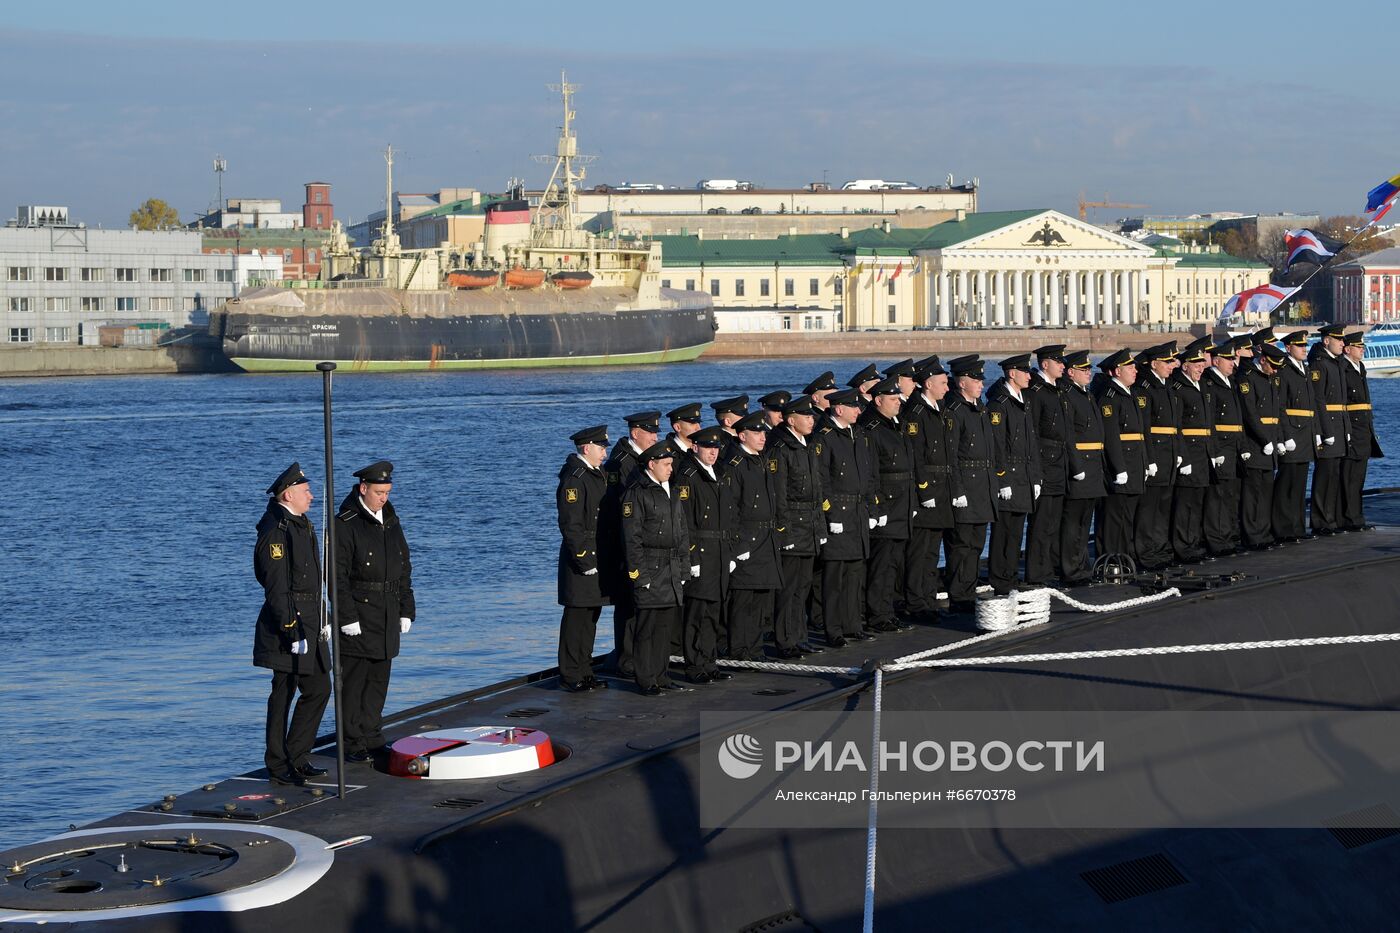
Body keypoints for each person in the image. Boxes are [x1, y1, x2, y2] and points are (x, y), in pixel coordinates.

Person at [254, 463, 330, 787]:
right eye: (305, 491)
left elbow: (313, 580)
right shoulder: (277, 531)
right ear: (289, 494)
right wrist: (290, 628)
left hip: (311, 621)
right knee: (283, 693)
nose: (311, 496)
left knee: (319, 688)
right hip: (287, 625)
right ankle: (278, 763)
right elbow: (276, 587)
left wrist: (323, 618)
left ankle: (297, 756)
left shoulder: (302, 524)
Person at [335, 460, 416, 764]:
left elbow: (402, 566)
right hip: (359, 611)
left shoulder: (390, 518)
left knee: (379, 680)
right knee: (354, 682)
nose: (384, 497)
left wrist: (406, 608)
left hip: (386, 610)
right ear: (363, 489)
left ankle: (371, 735)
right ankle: (352, 740)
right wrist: (346, 617)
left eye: (388, 492)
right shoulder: (345, 523)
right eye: (379, 492)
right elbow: (337, 576)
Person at [621, 441, 690, 695]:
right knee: (647, 627)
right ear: (652, 464)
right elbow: (632, 538)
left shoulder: (669, 489)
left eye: (671, 464)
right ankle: (646, 678)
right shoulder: (637, 493)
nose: (671, 469)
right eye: (666, 464)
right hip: (650, 567)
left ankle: (661, 675)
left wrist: (684, 568)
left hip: (671, 568)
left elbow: (681, 532)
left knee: (664, 628)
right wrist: (639, 575)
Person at [601, 411, 661, 676]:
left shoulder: (643, 459)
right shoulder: (620, 462)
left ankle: (641, 654)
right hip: (626, 543)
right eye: (650, 433)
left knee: (642, 603)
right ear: (635, 433)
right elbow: (618, 505)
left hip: (645, 541)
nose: (655, 438)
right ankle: (625, 658)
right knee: (627, 602)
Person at [815, 388, 876, 645]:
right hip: (839, 513)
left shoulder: (859, 435)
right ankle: (834, 629)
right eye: (854, 407)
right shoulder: (825, 437)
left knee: (855, 574)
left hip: (858, 512)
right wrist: (831, 514)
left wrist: (873, 509)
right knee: (834, 578)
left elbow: (869, 474)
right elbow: (822, 480)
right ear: (839, 409)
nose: (859, 411)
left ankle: (853, 624)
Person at [675, 427, 734, 684]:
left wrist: (729, 551)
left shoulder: (719, 472)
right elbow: (684, 521)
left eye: (716, 448)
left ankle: (709, 662)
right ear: (695, 447)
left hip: (719, 552)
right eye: (708, 447)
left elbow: (728, 516)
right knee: (696, 614)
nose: (713, 452)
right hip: (701, 552)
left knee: (713, 612)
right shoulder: (687, 476)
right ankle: (694, 665)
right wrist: (692, 559)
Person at [768, 395, 826, 656]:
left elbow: (817, 491)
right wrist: (784, 530)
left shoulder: (807, 445)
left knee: (803, 586)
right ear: (791, 421)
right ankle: (785, 640)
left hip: (810, 525)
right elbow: (778, 495)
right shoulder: (781, 449)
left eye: (812, 416)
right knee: (788, 587)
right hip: (793, 524)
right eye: (806, 417)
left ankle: (799, 636)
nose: (811, 420)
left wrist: (820, 528)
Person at [556, 425, 612, 692]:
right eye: (601, 448)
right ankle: (570, 673)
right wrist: (583, 559)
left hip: (599, 552)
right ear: (587, 448)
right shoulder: (575, 478)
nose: (604, 453)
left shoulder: (597, 473)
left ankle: (585, 669)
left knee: (592, 615)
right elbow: (571, 524)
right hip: (582, 558)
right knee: (577, 616)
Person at [726, 411, 784, 660]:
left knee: (761, 598)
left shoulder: (761, 460)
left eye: (763, 432)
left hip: (765, 538)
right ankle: (740, 650)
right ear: (742, 435)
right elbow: (731, 508)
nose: (763, 437)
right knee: (744, 600)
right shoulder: (735, 465)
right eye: (757, 433)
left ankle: (755, 648)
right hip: (747, 539)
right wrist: (738, 544)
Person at [945, 356, 999, 611]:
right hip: (966, 486)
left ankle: (969, 588)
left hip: (982, 487)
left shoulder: (980, 408)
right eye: (976, 380)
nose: (981, 384)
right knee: (961, 545)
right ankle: (959, 595)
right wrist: (957, 491)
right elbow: (951, 455)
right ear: (962, 382)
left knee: (977, 543)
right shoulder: (955, 411)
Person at [902, 356, 954, 620]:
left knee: (933, 551)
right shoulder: (916, 413)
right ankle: (916, 602)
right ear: (928, 384)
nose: (947, 388)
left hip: (942, 486)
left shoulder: (939, 408)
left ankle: (928, 599)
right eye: (943, 383)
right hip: (928, 489)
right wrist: (924, 490)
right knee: (919, 551)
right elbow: (916, 455)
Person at [859, 376, 913, 631]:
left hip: (902, 501)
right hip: (887, 503)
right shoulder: (871, 428)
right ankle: (876, 614)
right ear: (878, 400)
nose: (898, 403)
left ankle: (887, 609)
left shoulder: (894, 424)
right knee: (881, 563)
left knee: (894, 562)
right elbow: (871, 472)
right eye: (893, 400)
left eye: (898, 398)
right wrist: (876, 506)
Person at [986, 353, 1041, 595]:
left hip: (1025, 475)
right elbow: (997, 445)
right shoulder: (999, 403)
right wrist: (1002, 478)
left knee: (1016, 531)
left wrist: (1036, 477)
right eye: (1025, 372)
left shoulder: (1023, 400)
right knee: (1003, 532)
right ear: (1012, 374)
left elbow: (1031, 441)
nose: (1030, 376)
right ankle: (1000, 579)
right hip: (1010, 475)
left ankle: (1010, 576)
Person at [1024, 345, 1070, 585]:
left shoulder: (1057, 389)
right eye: (1058, 362)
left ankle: (1049, 567)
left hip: (1059, 461)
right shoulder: (1036, 391)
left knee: (1054, 521)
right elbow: (1032, 431)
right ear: (1045, 365)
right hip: (1045, 461)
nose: (1063, 365)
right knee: (1041, 522)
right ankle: (1037, 572)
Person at [1094, 348, 1145, 562]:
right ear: (1117, 371)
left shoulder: (1129, 393)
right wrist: (1119, 468)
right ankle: (1111, 559)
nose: (1135, 371)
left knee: (1127, 517)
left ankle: (1125, 557)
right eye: (1130, 367)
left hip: (1134, 464)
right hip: (1121, 466)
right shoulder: (1110, 398)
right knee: (1114, 517)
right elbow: (1112, 437)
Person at [1133, 342, 1180, 570]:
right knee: (1149, 508)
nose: (1172, 367)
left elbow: (1174, 425)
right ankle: (1146, 552)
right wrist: (1149, 459)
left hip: (1169, 453)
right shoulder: (1145, 387)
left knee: (1163, 506)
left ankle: (1160, 548)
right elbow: (1145, 427)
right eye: (1168, 363)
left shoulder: (1166, 385)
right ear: (1154, 364)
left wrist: (1178, 452)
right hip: (1156, 453)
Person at [1060, 350, 1106, 585]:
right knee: (1073, 523)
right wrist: (1076, 466)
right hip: (1080, 467)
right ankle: (1071, 569)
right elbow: (1069, 435)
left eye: (1089, 369)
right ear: (1071, 373)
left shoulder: (1085, 395)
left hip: (1093, 466)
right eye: (1083, 370)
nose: (1089, 373)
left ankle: (1081, 566)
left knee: (1084, 521)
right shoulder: (1068, 396)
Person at [1239, 342, 1285, 550]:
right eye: (1272, 366)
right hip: (1257, 443)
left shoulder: (1271, 379)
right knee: (1253, 493)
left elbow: (1277, 413)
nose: (1275, 370)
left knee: (1266, 492)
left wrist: (1280, 439)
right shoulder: (1249, 379)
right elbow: (1250, 414)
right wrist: (1265, 440)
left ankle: (1264, 533)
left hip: (1271, 443)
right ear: (1263, 360)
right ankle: (1252, 535)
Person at [1170, 339, 1213, 563]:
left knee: (1197, 502)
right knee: (1185, 504)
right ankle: (1182, 545)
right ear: (1185, 365)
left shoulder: (1201, 386)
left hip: (1203, 452)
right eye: (1196, 364)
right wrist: (1183, 457)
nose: (1200, 367)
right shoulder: (1179, 388)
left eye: (1201, 364)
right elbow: (1177, 427)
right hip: (1189, 451)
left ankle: (1193, 541)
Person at [1202, 338, 1245, 556]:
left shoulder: (1231, 382)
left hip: (1235, 446)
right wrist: (1214, 450)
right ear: (1216, 361)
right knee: (1217, 496)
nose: (1232, 362)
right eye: (1228, 359)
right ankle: (1217, 539)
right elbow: (1209, 421)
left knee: (1230, 494)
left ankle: (1228, 536)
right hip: (1221, 446)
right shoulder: (1210, 383)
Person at [1273, 330, 1317, 543]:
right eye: (1300, 346)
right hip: (1292, 432)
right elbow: (1280, 407)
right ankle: (1283, 528)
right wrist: (1284, 436)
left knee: (1300, 484)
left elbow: (1312, 406)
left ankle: (1298, 527)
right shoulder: (1284, 371)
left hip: (1305, 432)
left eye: (1305, 346)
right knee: (1286, 483)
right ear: (1288, 348)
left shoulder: (1305, 369)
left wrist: (1316, 432)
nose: (1304, 349)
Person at [1308, 323, 1348, 535]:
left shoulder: (1336, 363)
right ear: (1326, 341)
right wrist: (1325, 431)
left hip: (1339, 425)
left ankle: (1330, 519)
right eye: (1338, 339)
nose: (1343, 343)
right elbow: (1318, 399)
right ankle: (1320, 521)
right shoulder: (1319, 364)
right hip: (1328, 427)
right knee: (1324, 476)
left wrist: (1346, 428)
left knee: (1334, 475)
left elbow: (1341, 402)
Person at [1340, 330, 1382, 531]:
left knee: (1359, 477)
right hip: (1352, 428)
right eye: (1359, 347)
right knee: (1349, 476)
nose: (1362, 350)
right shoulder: (1344, 368)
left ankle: (1357, 517)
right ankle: (1348, 518)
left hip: (1364, 428)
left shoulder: (1360, 367)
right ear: (1348, 349)